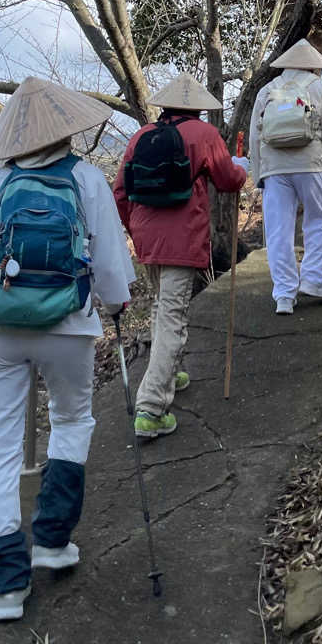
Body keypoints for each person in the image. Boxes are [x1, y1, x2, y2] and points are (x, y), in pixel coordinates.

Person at [0, 77, 134, 623]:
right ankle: (52, 541)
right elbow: (110, 270)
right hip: (69, 327)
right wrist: (116, 305)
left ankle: (7, 585)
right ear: (65, 130)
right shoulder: (84, 178)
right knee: (73, 419)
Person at [113, 73, 246, 441]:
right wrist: (243, 168)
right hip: (182, 238)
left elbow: (120, 192)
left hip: (147, 238)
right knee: (173, 315)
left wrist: (135, 229)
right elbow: (228, 179)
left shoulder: (141, 136)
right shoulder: (204, 135)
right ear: (198, 108)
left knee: (161, 306)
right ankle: (151, 408)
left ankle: (169, 371)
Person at [249, 38, 322, 315]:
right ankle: (313, 280)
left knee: (278, 231)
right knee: (318, 220)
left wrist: (259, 176)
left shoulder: (267, 90)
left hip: (274, 168)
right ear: (313, 67)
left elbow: (256, 136)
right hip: (310, 164)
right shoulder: (319, 87)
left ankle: (283, 294)